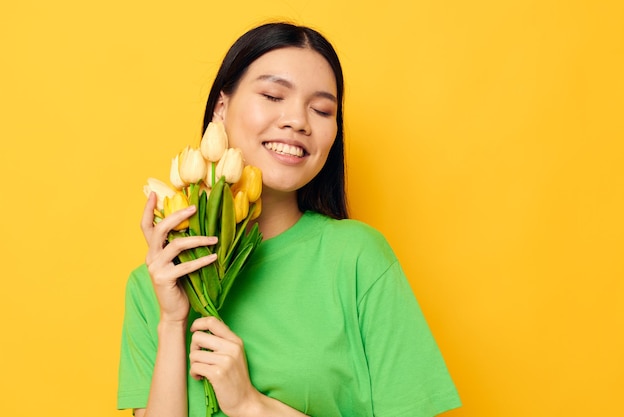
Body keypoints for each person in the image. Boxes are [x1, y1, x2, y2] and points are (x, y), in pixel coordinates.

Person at [118, 22, 461, 417]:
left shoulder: (356, 259)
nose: (298, 121)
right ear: (221, 107)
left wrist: (252, 405)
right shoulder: (153, 289)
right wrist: (173, 323)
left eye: (321, 109)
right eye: (272, 95)